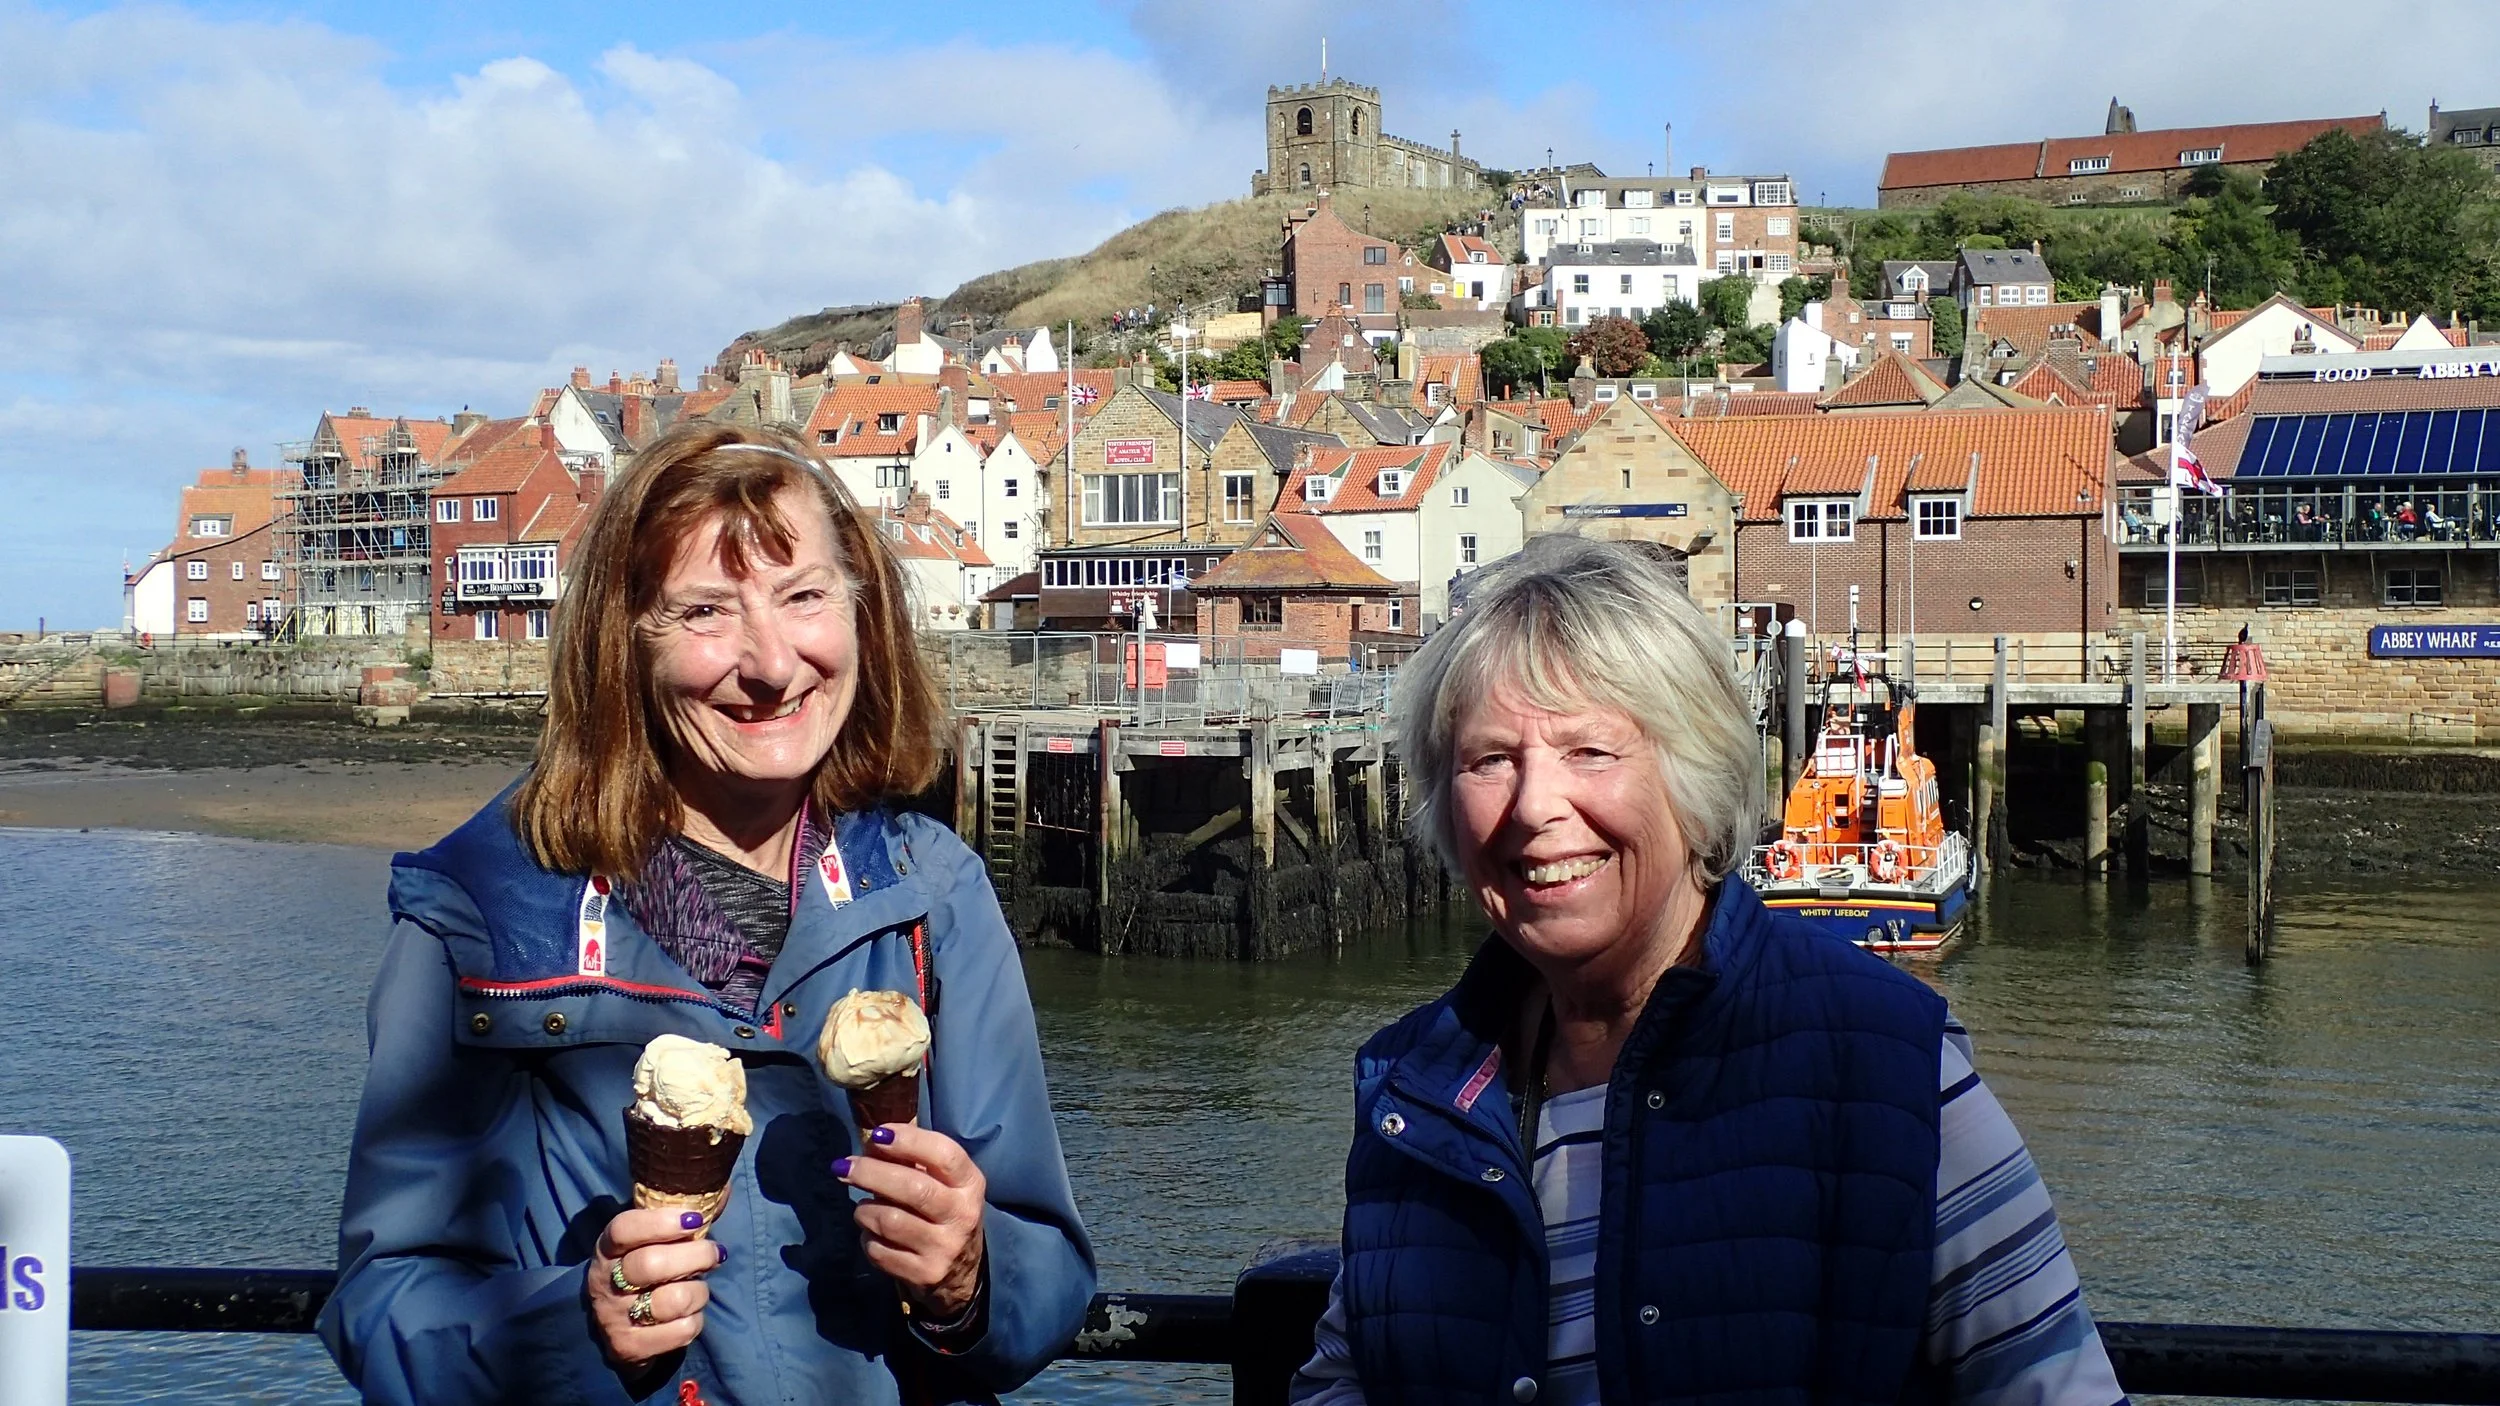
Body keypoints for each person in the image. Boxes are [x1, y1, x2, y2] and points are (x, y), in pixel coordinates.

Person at [319, 423, 1094, 1405]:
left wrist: (971, 1278)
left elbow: (1052, 1275)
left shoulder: (931, 897)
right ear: (624, 641)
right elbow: (381, 1303)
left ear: (861, 613)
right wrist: (576, 1325)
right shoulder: (479, 915)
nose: (772, 662)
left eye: (804, 595)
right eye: (706, 611)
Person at [1292, 535, 2125, 1406]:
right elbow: (1345, 1377)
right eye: (1490, 759)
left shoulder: (1888, 1073)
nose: (1535, 806)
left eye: (1591, 751)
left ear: (1692, 777)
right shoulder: (1414, 1097)